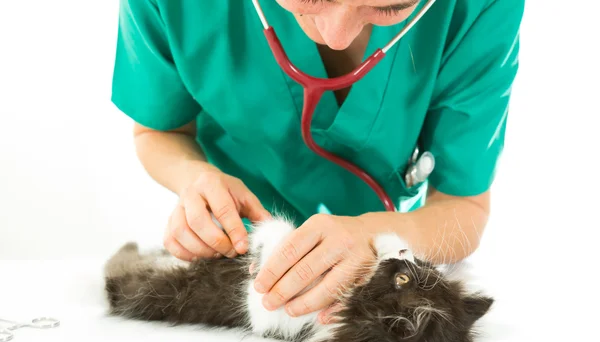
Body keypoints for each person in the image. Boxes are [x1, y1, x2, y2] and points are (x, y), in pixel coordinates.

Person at [110, 0, 524, 324]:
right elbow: (158, 131)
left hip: (373, 289)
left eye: (390, 8)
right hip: (234, 269)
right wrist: (193, 177)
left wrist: (374, 236)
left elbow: (464, 207)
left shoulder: (481, 5)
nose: (337, 36)